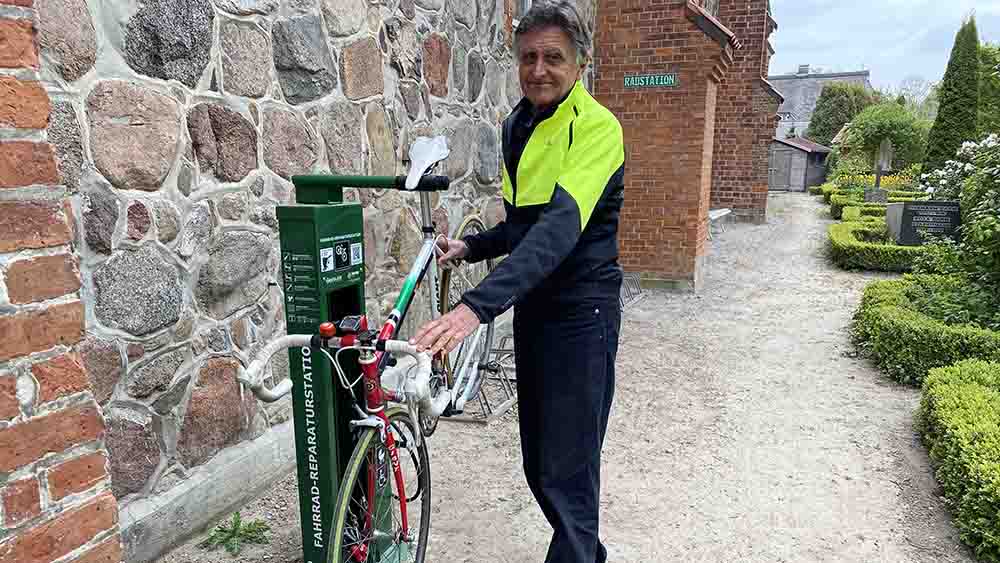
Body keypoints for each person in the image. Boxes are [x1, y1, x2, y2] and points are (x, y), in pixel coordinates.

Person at [410, 1, 625, 562]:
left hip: (584, 313)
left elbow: (558, 231)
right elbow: (524, 225)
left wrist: (474, 308)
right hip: (536, 311)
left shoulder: (599, 129)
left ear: (580, 62)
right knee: (541, 463)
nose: (538, 69)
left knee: (571, 467)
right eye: (528, 57)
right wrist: (473, 246)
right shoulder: (517, 125)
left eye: (553, 57)